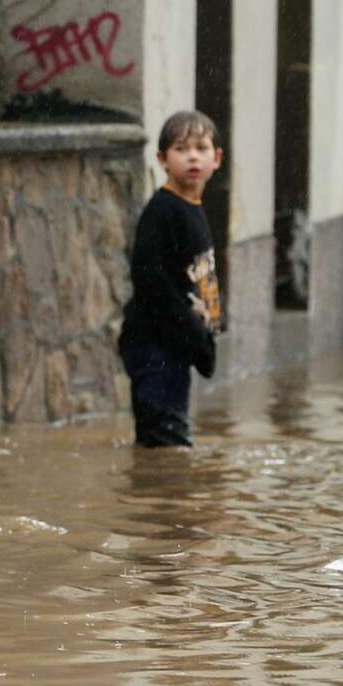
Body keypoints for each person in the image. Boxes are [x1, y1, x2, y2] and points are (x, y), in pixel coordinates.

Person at [118, 110, 223, 448]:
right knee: (166, 444)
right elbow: (150, 282)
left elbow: (197, 277)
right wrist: (196, 336)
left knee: (168, 441)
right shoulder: (163, 211)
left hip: (174, 346)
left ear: (216, 158)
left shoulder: (192, 208)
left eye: (201, 147)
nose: (193, 156)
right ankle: (161, 499)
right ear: (163, 159)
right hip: (154, 346)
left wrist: (209, 330)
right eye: (181, 149)